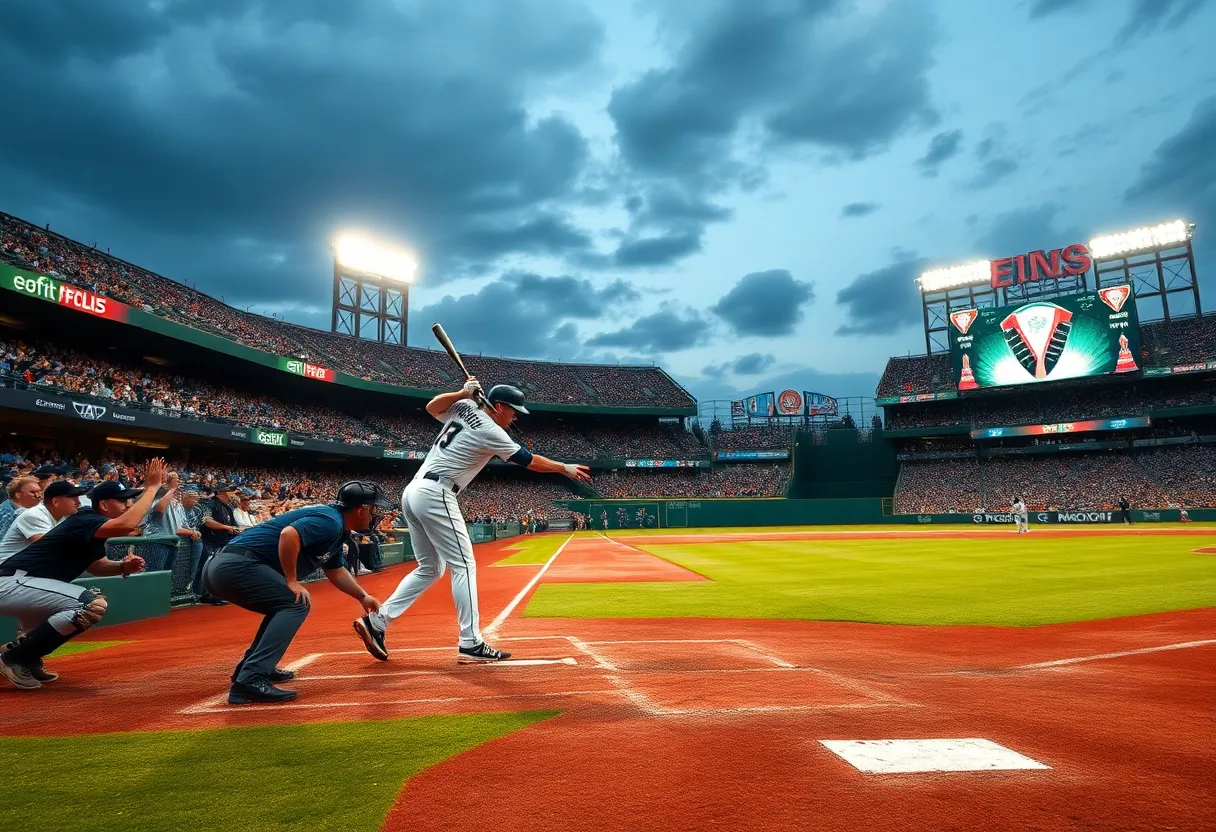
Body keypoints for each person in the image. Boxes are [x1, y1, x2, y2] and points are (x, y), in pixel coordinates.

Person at [353, 380, 591, 664]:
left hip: (414, 490)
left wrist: (463, 394)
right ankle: (470, 642)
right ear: (500, 407)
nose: (515, 417)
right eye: (513, 411)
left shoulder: (464, 407)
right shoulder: (492, 430)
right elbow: (528, 461)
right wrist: (564, 468)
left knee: (430, 568)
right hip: (437, 492)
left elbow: (433, 406)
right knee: (463, 565)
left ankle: (377, 622)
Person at [203, 480, 388, 705]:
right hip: (234, 566)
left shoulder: (338, 529)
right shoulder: (330, 521)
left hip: (225, 567)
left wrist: (363, 596)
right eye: (374, 509)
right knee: (295, 602)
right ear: (362, 510)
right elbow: (289, 535)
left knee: (283, 604)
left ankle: (255, 668)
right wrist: (291, 580)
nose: (375, 515)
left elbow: (335, 570)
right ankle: (251, 679)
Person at [0, 461, 165, 690]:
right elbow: (128, 524)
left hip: (26, 584)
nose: (129, 505)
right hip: (13, 581)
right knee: (91, 605)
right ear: (105, 505)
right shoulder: (85, 518)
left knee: (56, 623)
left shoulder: (89, 525)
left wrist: (122, 567)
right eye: (123, 500)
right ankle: (14, 658)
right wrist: (151, 488)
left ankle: (24, 656)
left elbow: (96, 566)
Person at [0, 480, 90, 566]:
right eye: (73, 498)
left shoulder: (63, 515)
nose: (78, 502)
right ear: (55, 502)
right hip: (7, 569)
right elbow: (49, 548)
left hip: (28, 568)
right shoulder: (35, 515)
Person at [0, 476, 41, 540]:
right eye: (32, 492)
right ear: (18, 495)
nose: (38, 496)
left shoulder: (6, 504)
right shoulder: (21, 514)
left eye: (39, 491)